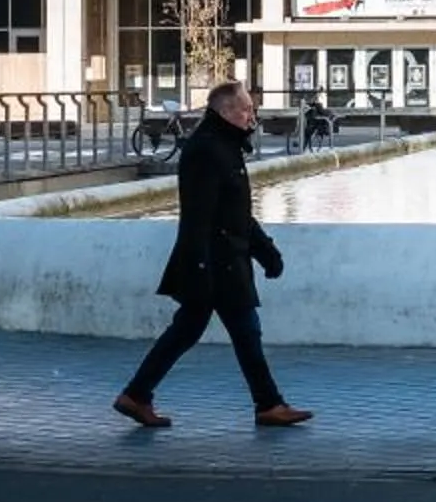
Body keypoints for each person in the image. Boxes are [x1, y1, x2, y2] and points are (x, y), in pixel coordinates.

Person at [114, 80, 309, 430]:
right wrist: (200, 266)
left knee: (191, 332)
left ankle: (137, 394)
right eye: (246, 109)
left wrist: (265, 251)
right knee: (243, 331)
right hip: (218, 263)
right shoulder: (207, 150)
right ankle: (268, 404)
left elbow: (235, 211)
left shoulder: (224, 145)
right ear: (226, 112)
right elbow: (200, 216)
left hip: (223, 260)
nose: (252, 115)